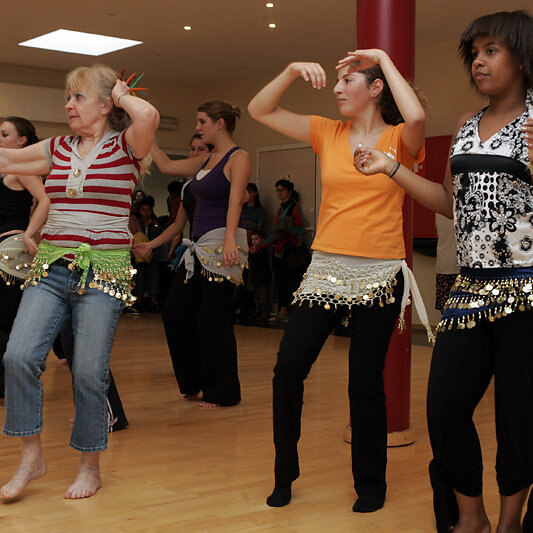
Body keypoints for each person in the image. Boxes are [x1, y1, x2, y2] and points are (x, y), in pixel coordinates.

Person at [353, 10, 533, 532]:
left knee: (519, 417)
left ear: (522, 56)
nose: (478, 61)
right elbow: (452, 205)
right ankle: (471, 518)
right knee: (445, 407)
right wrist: (391, 168)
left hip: (527, 288)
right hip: (470, 287)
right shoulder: (466, 124)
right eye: (474, 53)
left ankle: (511, 522)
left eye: (491, 50)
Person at [248, 49, 427, 512]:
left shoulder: (399, 138)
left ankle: (371, 485)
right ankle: (284, 474)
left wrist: (383, 58)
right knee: (288, 368)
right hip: (326, 269)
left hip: (380, 272)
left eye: (348, 80)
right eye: (337, 81)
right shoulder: (326, 132)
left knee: (364, 380)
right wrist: (290, 69)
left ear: (375, 88)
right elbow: (259, 109)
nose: (337, 88)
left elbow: (416, 115)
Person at [0, 64, 159, 500]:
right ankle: (31, 458)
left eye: (79, 96)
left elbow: (147, 116)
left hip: (103, 273)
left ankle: (90, 466)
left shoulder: (128, 146)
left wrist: (122, 94)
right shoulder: (58, 147)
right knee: (18, 356)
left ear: (106, 105)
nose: (69, 105)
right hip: (52, 268)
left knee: (88, 372)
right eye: (67, 98)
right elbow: (7, 159)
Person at [134, 100, 250, 408]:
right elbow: (166, 166)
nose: (197, 127)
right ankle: (193, 381)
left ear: (219, 123)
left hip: (222, 246)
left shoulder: (238, 157)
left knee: (214, 320)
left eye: (202, 122)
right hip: (198, 249)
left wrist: (229, 240)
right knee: (175, 313)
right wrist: (143, 130)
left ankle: (222, 392)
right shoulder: (206, 160)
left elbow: (236, 202)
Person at [0, 117, 49, 399]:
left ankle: (14, 384)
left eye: (5, 134)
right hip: (4, 250)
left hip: (11, 251)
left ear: (22, 141)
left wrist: (30, 233)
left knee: (7, 320)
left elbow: (46, 199)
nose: (0, 138)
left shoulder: (21, 168)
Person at [267, 179, 307, 323]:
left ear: (289, 192)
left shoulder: (294, 208)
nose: (279, 193)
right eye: (278, 190)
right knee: (280, 282)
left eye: (282, 190)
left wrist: (286, 231)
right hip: (279, 251)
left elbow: (300, 229)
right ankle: (283, 311)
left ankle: (293, 313)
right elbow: (275, 233)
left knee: (291, 282)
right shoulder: (280, 209)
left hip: (289, 251)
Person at [248, 229, 271, 321]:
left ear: (262, 239)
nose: (254, 241)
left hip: (263, 277)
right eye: (252, 239)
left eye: (256, 239)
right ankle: (258, 311)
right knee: (257, 297)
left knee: (263, 296)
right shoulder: (253, 250)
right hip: (256, 277)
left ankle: (265, 313)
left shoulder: (263, 250)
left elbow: (260, 263)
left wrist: (254, 254)